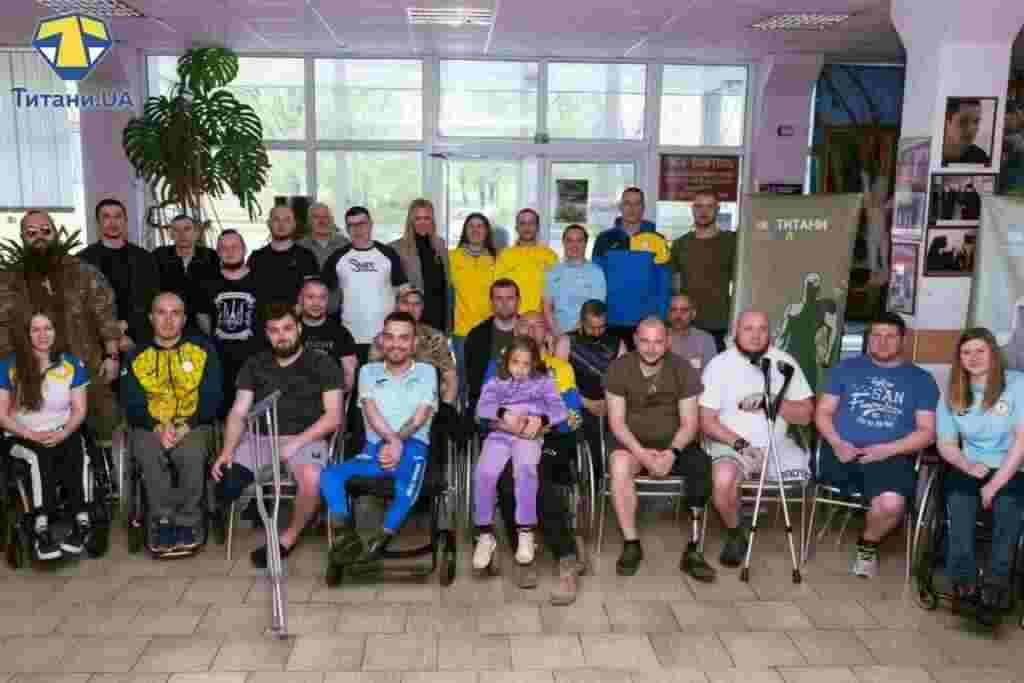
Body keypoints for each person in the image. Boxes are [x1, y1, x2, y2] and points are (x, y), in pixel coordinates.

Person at [211, 302, 343, 567]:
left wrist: (296, 444)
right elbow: (238, 412)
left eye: (287, 328)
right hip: (259, 438)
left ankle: (288, 538)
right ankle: (220, 511)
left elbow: (333, 416)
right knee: (225, 482)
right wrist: (226, 451)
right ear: (267, 334)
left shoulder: (322, 363)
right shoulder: (254, 364)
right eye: (274, 330)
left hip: (306, 439)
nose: (282, 336)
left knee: (312, 478)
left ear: (299, 329)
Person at [815, 312, 939, 578]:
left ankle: (867, 545)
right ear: (868, 338)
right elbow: (823, 412)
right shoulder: (845, 369)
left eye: (890, 336)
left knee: (892, 504)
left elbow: (927, 432)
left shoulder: (921, 379)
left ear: (903, 340)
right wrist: (837, 442)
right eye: (876, 335)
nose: (882, 342)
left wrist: (886, 450)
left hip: (891, 456)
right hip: (842, 451)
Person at [321, 312, 438, 566]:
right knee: (330, 475)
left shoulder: (427, 372)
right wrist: (390, 442)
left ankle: (380, 540)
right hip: (375, 447)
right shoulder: (368, 371)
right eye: (390, 337)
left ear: (414, 343)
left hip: (413, 446)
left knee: (405, 487)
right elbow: (371, 412)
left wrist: (397, 443)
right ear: (381, 340)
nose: (396, 344)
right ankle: (345, 537)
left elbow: (419, 418)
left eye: (404, 338)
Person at [700, 310, 813, 568]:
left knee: (800, 476)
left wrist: (771, 402)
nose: (755, 335)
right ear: (735, 333)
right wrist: (742, 445)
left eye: (762, 329)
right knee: (723, 482)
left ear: (770, 333)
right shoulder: (719, 365)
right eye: (748, 328)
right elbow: (706, 420)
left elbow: (806, 415)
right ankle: (735, 532)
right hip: (732, 443)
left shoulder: (785, 363)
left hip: (777, 445)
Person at [604, 316, 713, 580]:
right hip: (632, 444)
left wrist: (670, 454)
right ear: (635, 340)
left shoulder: (683, 369)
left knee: (701, 465)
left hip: (674, 444)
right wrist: (644, 456)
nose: (651, 348)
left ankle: (694, 548)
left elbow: (690, 423)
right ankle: (631, 543)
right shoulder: (618, 368)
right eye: (645, 341)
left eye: (658, 342)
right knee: (619, 465)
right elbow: (617, 423)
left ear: (668, 342)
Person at [0, 210, 122, 441]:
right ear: (23, 238)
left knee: (105, 428)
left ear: (55, 234)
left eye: (45, 231)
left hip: (85, 366)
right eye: (31, 233)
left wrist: (112, 357)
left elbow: (105, 316)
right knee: (36, 439)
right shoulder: (8, 280)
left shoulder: (83, 272)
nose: (39, 236)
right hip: (29, 375)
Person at [935, 327, 1024, 626]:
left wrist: (995, 484)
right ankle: (964, 581)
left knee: (1008, 508)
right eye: (966, 352)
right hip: (970, 465)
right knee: (960, 503)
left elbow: (1022, 441)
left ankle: (996, 584)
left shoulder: (1017, 384)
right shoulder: (953, 393)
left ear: (993, 354)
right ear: (959, 358)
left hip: (1012, 466)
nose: (972, 358)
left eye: (980, 351)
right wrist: (967, 465)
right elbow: (946, 444)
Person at [121, 293, 222, 551]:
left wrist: (187, 425)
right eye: (161, 313)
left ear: (184, 319)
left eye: (175, 313)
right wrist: (156, 427)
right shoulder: (136, 355)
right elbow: (131, 401)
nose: (168, 320)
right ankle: (162, 519)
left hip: (193, 422)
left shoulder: (202, 350)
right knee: (148, 453)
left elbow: (213, 397)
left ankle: (189, 520)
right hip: (149, 425)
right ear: (151, 318)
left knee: (191, 453)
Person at [503, 312, 586, 602]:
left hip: (552, 438)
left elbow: (573, 415)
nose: (530, 330)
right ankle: (522, 553)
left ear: (547, 333)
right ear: (516, 331)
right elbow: (485, 410)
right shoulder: (499, 366)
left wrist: (542, 425)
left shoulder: (560, 368)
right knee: (506, 479)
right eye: (524, 325)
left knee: (534, 475)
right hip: (510, 437)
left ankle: (566, 556)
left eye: (537, 325)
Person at [0, 311, 91, 560]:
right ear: (27, 334)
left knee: (76, 447)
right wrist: (31, 434)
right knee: (38, 456)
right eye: (36, 329)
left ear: (56, 331)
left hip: (62, 431)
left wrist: (64, 432)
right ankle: (41, 527)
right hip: (21, 434)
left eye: (48, 328)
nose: (43, 335)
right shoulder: (9, 366)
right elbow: (2, 415)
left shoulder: (72, 364)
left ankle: (82, 520)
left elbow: (79, 410)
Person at [473, 336, 566, 569]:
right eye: (515, 362)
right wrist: (503, 413)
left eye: (526, 364)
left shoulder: (544, 381)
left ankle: (525, 530)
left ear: (534, 363)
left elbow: (559, 409)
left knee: (525, 469)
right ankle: (485, 534)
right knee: (484, 473)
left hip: (528, 436)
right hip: (500, 435)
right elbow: (483, 407)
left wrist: (541, 419)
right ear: (507, 361)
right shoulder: (497, 381)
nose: (520, 369)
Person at [323, 206, 410, 363]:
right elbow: (319, 292)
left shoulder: (388, 254)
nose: (357, 229)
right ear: (347, 229)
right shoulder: (337, 257)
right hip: (349, 337)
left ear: (370, 225)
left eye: (361, 224)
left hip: (385, 337)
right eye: (351, 225)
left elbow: (405, 292)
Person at [556, 299, 626, 483]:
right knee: (584, 425)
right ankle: (588, 479)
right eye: (592, 327)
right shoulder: (566, 341)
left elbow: (624, 382)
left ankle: (612, 477)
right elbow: (558, 383)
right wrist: (586, 403)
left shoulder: (617, 344)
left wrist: (609, 403)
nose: (596, 332)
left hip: (609, 404)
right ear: (581, 322)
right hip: (575, 404)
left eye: (601, 327)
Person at [593, 188, 672, 348]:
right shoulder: (604, 239)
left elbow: (664, 284)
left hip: (646, 322)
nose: (632, 208)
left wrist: (661, 319)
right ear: (620, 206)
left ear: (643, 207)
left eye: (637, 204)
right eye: (627, 203)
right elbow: (596, 280)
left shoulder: (658, 239)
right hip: (611, 320)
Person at [79, 198, 161, 351]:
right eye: (106, 217)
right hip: (96, 342)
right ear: (98, 222)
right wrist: (111, 332)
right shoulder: (83, 260)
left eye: (118, 216)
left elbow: (153, 300)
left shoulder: (145, 258)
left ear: (125, 221)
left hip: (138, 339)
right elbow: (80, 304)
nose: (113, 222)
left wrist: (128, 328)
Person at [198, 230, 263, 415]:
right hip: (220, 365)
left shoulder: (262, 280)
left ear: (244, 249)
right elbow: (203, 318)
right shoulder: (207, 283)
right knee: (224, 417)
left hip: (254, 364)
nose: (230, 251)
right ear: (218, 252)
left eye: (235, 247)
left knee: (253, 418)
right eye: (224, 248)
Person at [669, 191, 736, 351]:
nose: (703, 211)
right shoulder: (680, 244)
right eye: (699, 206)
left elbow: (741, 282)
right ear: (693, 209)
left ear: (717, 209)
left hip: (720, 323)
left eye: (709, 206)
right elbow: (675, 287)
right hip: (686, 325)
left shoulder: (732, 242)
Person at [370, 287, 457, 406]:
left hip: (428, 404)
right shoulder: (382, 339)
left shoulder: (434, 337)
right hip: (388, 405)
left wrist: (445, 410)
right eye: (405, 303)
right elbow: (371, 381)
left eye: (416, 304)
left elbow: (451, 380)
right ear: (397, 306)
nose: (411, 308)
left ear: (422, 308)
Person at [449, 212, 498, 394]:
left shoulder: (497, 258)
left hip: (489, 329)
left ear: (486, 231)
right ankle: (463, 411)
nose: (476, 230)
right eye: (471, 226)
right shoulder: (451, 257)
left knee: (488, 378)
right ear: (465, 231)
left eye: (480, 226)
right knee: (462, 378)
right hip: (461, 330)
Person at [390, 199, 450, 333]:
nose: (423, 223)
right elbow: (393, 289)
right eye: (418, 218)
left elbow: (445, 284)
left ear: (432, 220)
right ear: (411, 221)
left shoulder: (440, 245)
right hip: (413, 319)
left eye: (427, 218)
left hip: (439, 317)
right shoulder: (397, 248)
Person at [465, 279, 521, 417]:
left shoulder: (531, 332)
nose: (504, 303)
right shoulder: (476, 336)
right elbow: (473, 382)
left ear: (518, 301)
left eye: (510, 298)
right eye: (499, 298)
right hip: (487, 405)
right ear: (491, 302)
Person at [152, 214, 220, 330]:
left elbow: (217, 291)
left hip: (203, 320)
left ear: (196, 233)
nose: (182, 234)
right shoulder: (159, 256)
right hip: (168, 320)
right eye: (176, 230)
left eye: (187, 229)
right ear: (171, 234)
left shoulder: (210, 257)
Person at [774, 272, 839, 393]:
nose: (811, 290)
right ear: (805, 287)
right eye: (809, 286)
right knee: (785, 395)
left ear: (818, 290)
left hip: (808, 361)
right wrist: (774, 355)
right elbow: (782, 335)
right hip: (791, 358)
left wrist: (828, 355)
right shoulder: (792, 308)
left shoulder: (821, 310)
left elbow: (834, 329)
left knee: (806, 396)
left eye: (814, 287)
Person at [247, 205, 319, 307]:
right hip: (262, 316)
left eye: (287, 220)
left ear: (294, 224)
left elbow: (313, 293)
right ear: (269, 223)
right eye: (276, 219)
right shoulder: (256, 258)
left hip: (296, 316)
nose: (281, 224)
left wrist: (295, 313)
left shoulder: (306, 257)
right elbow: (248, 295)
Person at [543, 224, 606, 336]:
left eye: (579, 241)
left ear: (586, 243)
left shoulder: (596, 272)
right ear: (563, 243)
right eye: (570, 240)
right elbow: (547, 307)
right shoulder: (552, 271)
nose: (574, 245)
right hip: (557, 333)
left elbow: (595, 310)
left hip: (586, 334)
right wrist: (557, 333)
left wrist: (574, 335)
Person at [494, 208, 558, 316]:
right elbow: (498, 291)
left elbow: (557, 292)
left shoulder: (550, 256)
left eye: (531, 223)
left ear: (537, 227)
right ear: (516, 228)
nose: (527, 227)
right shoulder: (504, 256)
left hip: (542, 319)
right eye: (522, 223)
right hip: (512, 318)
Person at [299, 277, 357, 394]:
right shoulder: (289, 330)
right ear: (300, 299)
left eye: (322, 297)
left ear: (328, 300)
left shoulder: (341, 333)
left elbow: (349, 376)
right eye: (310, 297)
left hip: (331, 395)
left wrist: (335, 397)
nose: (316, 303)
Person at [668, 293, 718, 373]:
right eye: (674, 310)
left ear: (693, 314)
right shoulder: (659, 338)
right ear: (669, 314)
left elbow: (712, 373)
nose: (678, 315)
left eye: (684, 310)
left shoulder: (705, 340)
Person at [298, 202, 350, 269]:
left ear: (331, 220)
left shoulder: (344, 243)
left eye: (325, 217)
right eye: (316, 217)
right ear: (309, 221)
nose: (322, 221)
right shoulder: (300, 246)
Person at [942, 98, 990, 166]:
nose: (971, 129)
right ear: (946, 122)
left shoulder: (981, 158)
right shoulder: (928, 154)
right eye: (963, 121)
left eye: (976, 121)